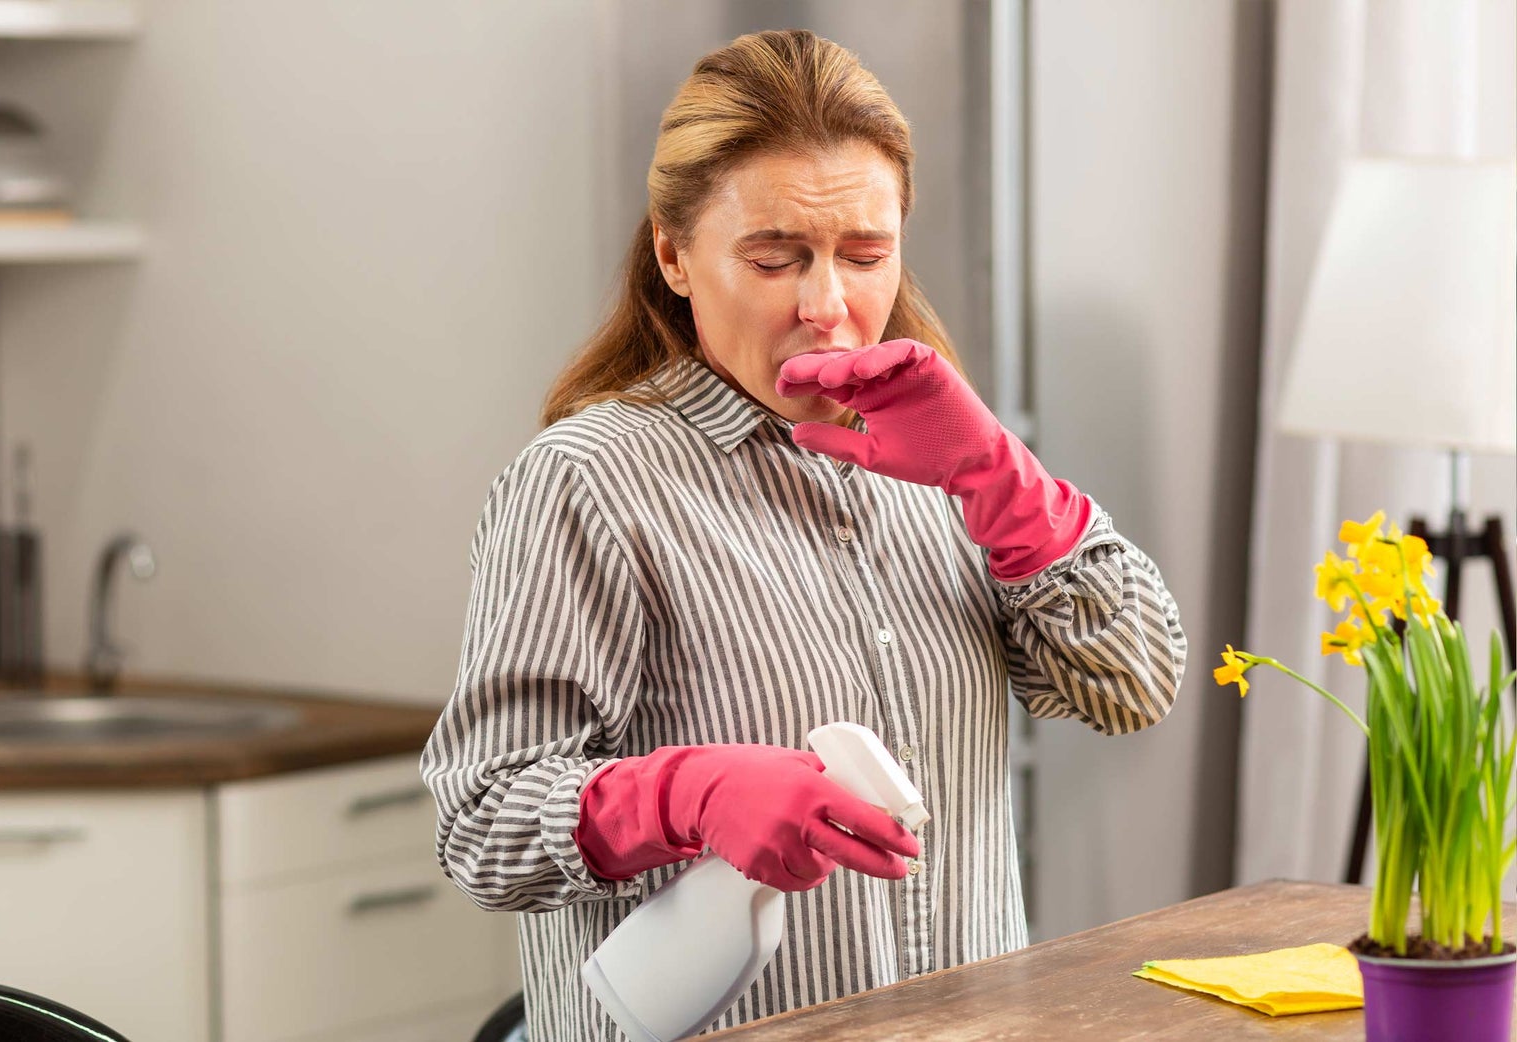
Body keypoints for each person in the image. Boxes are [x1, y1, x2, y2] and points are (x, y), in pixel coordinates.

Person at [422, 29, 1187, 1042]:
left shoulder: (945, 467)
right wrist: (682, 793)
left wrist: (995, 476)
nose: (826, 306)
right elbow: (481, 820)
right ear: (671, 253)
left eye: (863, 255)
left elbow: (1132, 681)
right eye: (775, 258)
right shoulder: (588, 483)